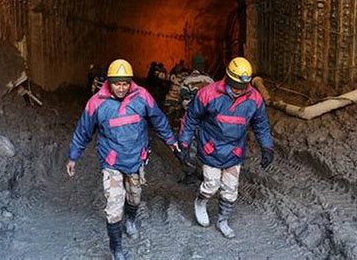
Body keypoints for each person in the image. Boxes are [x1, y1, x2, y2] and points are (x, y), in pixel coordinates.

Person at [66, 59, 180, 259]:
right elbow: (83, 131)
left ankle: (130, 219)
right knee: (113, 207)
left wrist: (171, 140)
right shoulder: (97, 103)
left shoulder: (142, 97)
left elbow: (158, 119)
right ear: (109, 82)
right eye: (117, 83)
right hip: (111, 163)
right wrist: (73, 157)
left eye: (125, 83)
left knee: (134, 196)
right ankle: (117, 250)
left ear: (130, 82)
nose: (121, 88)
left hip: (136, 159)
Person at [177, 57, 274, 238]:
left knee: (230, 189)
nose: (238, 90)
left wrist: (267, 147)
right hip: (211, 148)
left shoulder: (254, 99)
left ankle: (223, 220)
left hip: (234, 151)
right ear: (228, 78)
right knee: (211, 185)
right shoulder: (208, 94)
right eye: (235, 85)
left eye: (242, 87)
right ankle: (201, 201)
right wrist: (184, 143)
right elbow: (191, 119)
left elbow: (261, 125)